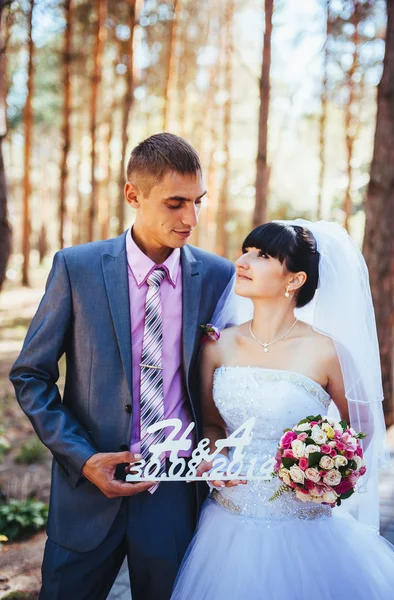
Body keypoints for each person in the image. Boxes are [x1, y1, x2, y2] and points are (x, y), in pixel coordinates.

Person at [9, 133, 235, 600]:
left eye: (198, 202)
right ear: (133, 194)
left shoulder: (217, 277)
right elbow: (31, 375)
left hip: (175, 493)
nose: (190, 218)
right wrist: (82, 457)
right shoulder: (77, 268)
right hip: (87, 491)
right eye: (175, 203)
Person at [171, 220, 394, 600]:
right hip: (227, 523)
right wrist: (218, 459)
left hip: (304, 524)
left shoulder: (327, 351)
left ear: (294, 280)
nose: (242, 261)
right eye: (246, 251)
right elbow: (211, 425)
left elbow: (361, 428)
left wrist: (326, 474)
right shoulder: (217, 343)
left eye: (261, 255)